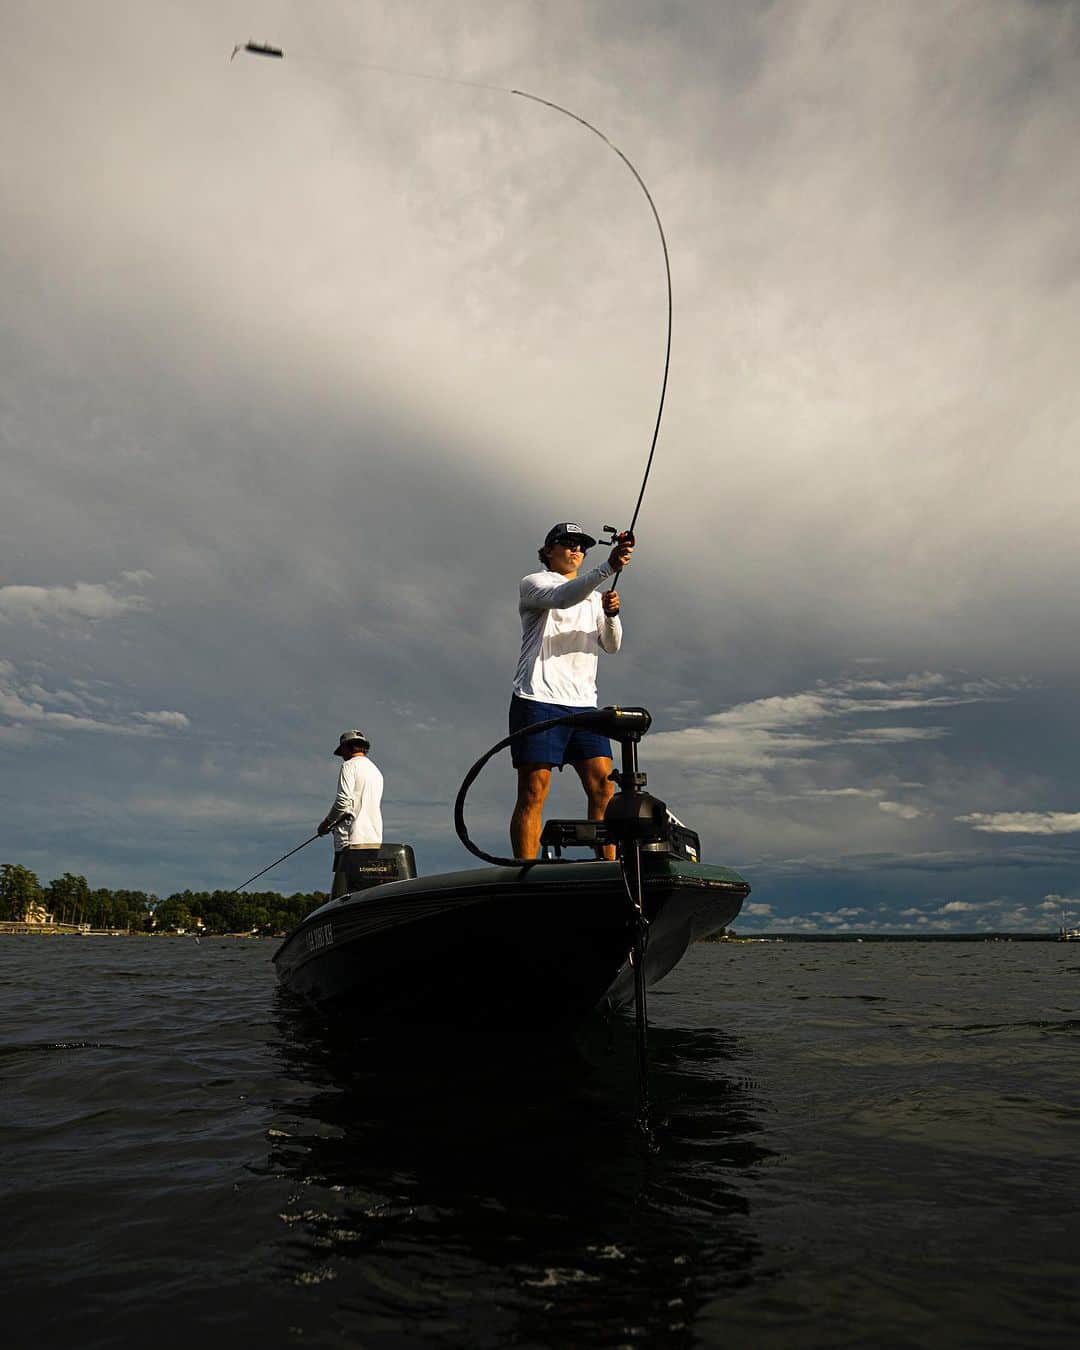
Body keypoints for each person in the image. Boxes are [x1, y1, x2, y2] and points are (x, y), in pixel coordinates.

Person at [510, 521, 634, 859]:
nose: (576, 549)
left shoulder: (593, 598)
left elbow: (611, 645)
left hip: (585, 707)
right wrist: (609, 566)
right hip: (536, 699)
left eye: (581, 545)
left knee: (604, 788)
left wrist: (611, 615)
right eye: (567, 543)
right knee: (534, 792)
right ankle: (524, 874)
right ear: (549, 550)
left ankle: (607, 868)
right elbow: (562, 599)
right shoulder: (535, 583)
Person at [317, 729, 384, 899]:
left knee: (347, 894)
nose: (342, 756)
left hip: (351, 839)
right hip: (374, 839)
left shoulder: (349, 766)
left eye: (342, 752)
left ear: (348, 748)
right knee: (366, 892)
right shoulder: (376, 771)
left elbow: (343, 801)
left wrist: (325, 824)